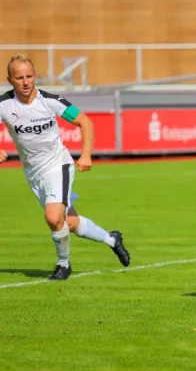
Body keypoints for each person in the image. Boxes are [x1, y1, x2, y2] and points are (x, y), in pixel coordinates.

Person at [0, 54, 130, 281]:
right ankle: (112, 239)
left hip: (58, 165)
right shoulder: (4, 105)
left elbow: (85, 122)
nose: (25, 82)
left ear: (35, 76)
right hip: (33, 172)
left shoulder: (50, 101)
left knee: (52, 217)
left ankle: (63, 265)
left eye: (29, 76)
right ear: (9, 80)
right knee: (67, 222)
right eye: (19, 77)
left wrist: (86, 154)